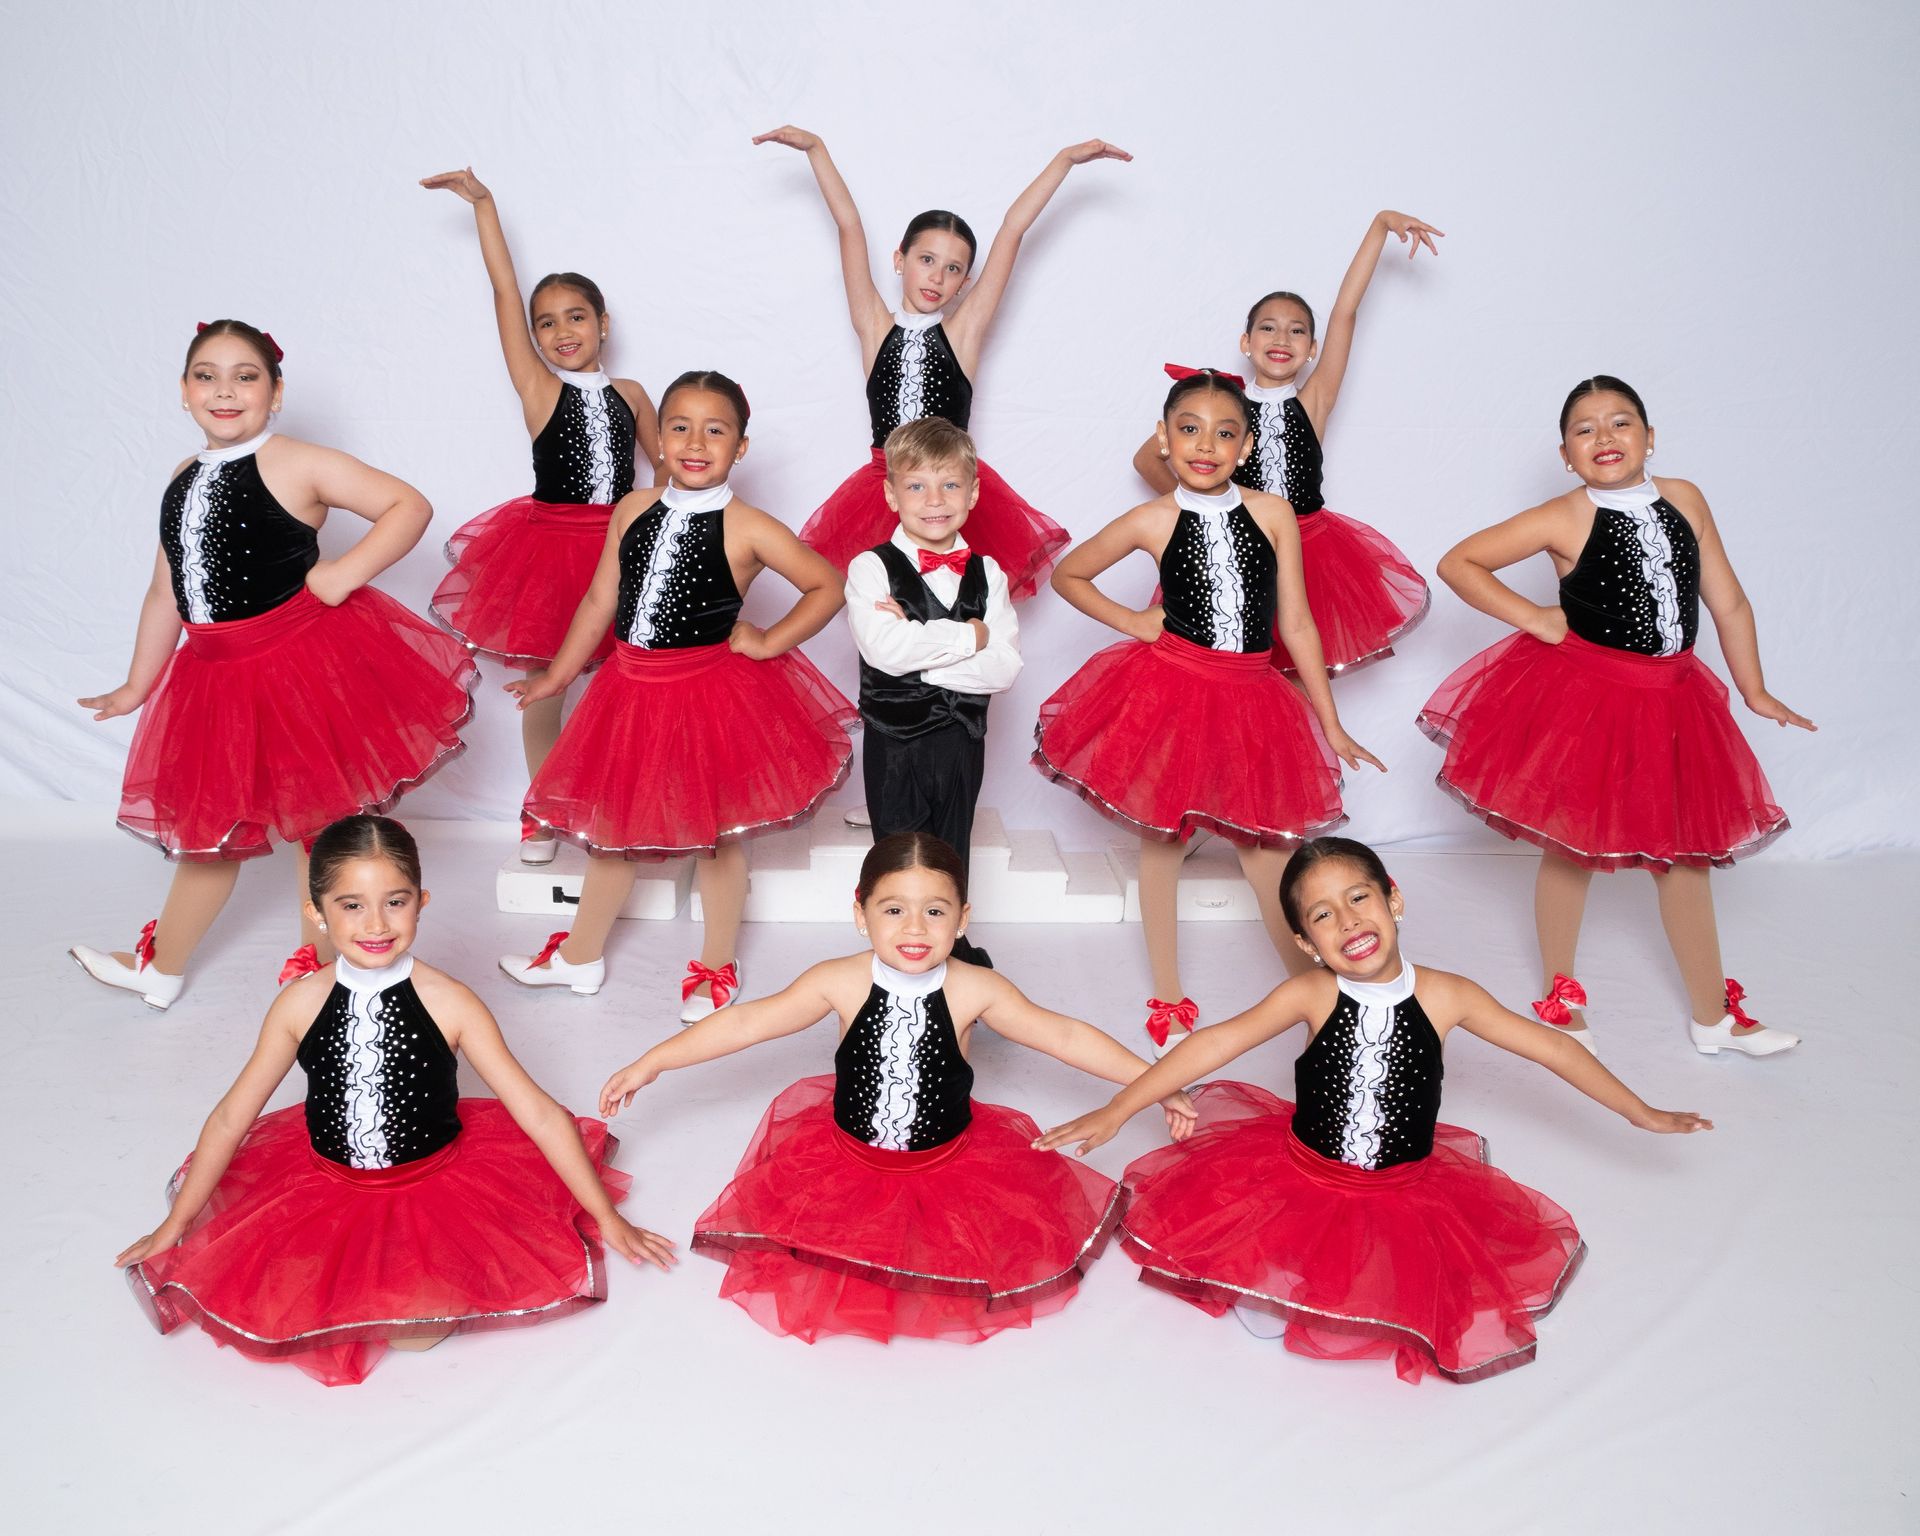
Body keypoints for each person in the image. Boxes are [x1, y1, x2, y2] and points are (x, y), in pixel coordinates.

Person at [1038, 836, 1712, 1384]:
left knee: (1394, 1284)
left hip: (1404, 1185)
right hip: (1302, 1174)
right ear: (1306, 943)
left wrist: (1638, 1111)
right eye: (1323, 915)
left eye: (1359, 898)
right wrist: (1120, 1108)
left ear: (1394, 900)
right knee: (1278, 1299)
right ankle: (1281, 1280)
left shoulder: (1450, 996)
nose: (1348, 920)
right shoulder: (1310, 994)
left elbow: (1554, 1051)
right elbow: (1214, 1044)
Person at [116, 814, 673, 1386]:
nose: (376, 924)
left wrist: (606, 1216)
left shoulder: (451, 1001)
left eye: (395, 902)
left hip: (433, 1183)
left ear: (421, 902)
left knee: (419, 1332)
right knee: (295, 1288)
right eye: (351, 905)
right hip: (323, 1181)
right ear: (317, 913)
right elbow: (234, 1116)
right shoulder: (298, 1005)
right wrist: (176, 1225)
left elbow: (534, 1110)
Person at [597, 832, 1195, 1343]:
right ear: (860, 914)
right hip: (847, 1158)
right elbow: (748, 1021)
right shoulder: (838, 980)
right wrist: (656, 1060)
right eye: (893, 910)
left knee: (953, 1252)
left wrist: (1155, 1084)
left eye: (935, 911)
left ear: (963, 919)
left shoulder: (977, 988)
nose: (915, 927)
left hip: (949, 1161)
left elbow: (1065, 1035)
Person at [71, 321, 475, 1009]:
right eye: (206, 374)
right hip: (213, 676)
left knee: (316, 829)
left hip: (296, 665)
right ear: (183, 390)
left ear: (276, 391)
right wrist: (139, 683)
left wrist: (344, 574)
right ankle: (162, 968)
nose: (224, 390)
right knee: (211, 833)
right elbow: (167, 586)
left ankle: (323, 972)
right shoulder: (182, 476)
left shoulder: (295, 460)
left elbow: (408, 506)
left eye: (246, 376)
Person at [1421, 376, 1812, 1055]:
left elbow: (1728, 601)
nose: (1605, 437)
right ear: (1567, 455)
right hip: (1592, 698)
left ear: (1650, 437)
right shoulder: (1565, 515)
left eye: (1621, 421)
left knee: (1685, 855)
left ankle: (1711, 1014)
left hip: (1675, 697)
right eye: (1585, 428)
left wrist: (1754, 690)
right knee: (1573, 845)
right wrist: (1534, 617)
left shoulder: (1685, 499)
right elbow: (1460, 562)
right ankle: (1560, 992)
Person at [1034, 369, 1382, 1054]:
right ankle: (1167, 990)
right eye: (1189, 429)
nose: (1206, 444)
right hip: (1174, 689)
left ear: (1247, 446)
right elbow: (1069, 574)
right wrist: (1136, 623)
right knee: (1163, 838)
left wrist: (1331, 721)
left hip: (1254, 695)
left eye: (1225, 433)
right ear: (1164, 439)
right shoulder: (1153, 517)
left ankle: (1318, 991)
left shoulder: (1274, 514)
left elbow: (1301, 624)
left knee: (1266, 851)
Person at [500, 371, 854, 1019]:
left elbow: (827, 585)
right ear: (657, 438)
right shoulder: (631, 509)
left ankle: (717, 964)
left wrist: (771, 642)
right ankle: (580, 957)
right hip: (629, 691)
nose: (695, 441)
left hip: (706, 696)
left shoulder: (747, 526)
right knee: (615, 830)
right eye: (680, 427)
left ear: (740, 446)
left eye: (715, 430)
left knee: (717, 836)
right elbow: (601, 599)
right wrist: (556, 676)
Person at [752, 125, 1129, 598]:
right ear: (899, 259)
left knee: (953, 603)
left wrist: (1063, 161)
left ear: (966, 282)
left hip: (949, 484)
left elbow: (1012, 229)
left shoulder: (962, 334)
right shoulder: (874, 326)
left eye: (953, 269)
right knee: (884, 604)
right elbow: (849, 226)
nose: (937, 277)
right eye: (926, 260)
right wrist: (817, 150)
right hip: (884, 486)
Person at [421, 167, 661, 864]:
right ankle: (542, 808)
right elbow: (502, 289)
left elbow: (668, 468)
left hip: (619, 550)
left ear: (604, 323)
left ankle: (620, 800)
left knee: (629, 681)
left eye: (576, 317)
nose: (561, 332)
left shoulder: (634, 391)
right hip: (549, 552)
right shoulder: (536, 388)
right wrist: (485, 208)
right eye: (545, 323)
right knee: (548, 689)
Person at [1134, 211, 1442, 672]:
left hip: (1313, 551)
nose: (1282, 337)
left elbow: (1345, 312)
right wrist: (1202, 508)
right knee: (1231, 663)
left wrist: (1378, 227)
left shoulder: (1314, 399)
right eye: (1268, 327)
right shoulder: (1226, 404)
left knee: (1296, 671)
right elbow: (1147, 460)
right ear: (1246, 341)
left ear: (1312, 348)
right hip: (1243, 547)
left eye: (1297, 330)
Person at [845, 417, 1020, 966]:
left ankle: (950, 953)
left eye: (949, 485)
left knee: (952, 848)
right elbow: (884, 653)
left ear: (971, 494)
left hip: (962, 741)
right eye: (917, 486)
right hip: (894, 744)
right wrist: (970, 636)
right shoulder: (870, 567)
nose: (934, 500)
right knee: (897, 854)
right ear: (892, 494)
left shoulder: (989, 573)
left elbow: (1003, 670)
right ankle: (895, 957)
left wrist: (916, 648)